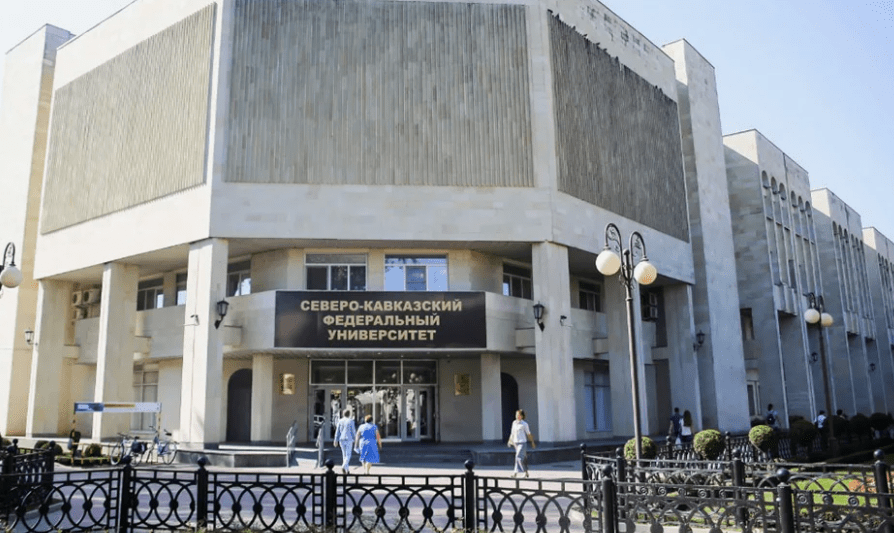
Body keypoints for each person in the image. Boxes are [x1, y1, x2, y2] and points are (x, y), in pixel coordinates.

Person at [507, 409, 536, 478]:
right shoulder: (514, 423)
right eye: (517, 415)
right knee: (521, 458)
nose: (517, 416)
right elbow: (512, 433)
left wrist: (532, 442)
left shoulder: (524, 424)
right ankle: (524, 472)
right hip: (515, 442)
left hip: (522, 443)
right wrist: (510, 441)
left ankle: (520, 472)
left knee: (518, 456)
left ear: (522, 416)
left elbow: (528, 434)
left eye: (519, 415)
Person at [333, 409, 357, 474]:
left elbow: (337, 431)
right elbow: (353, 431)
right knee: (348, 455)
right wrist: (356, 439)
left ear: (343, 414)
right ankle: (343, 466)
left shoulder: (340, 421)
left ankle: (347, 470)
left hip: (342, 439)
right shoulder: (351, 421)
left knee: (344, 455)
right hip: (349, 439)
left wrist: (335, 440)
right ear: (349, 414)